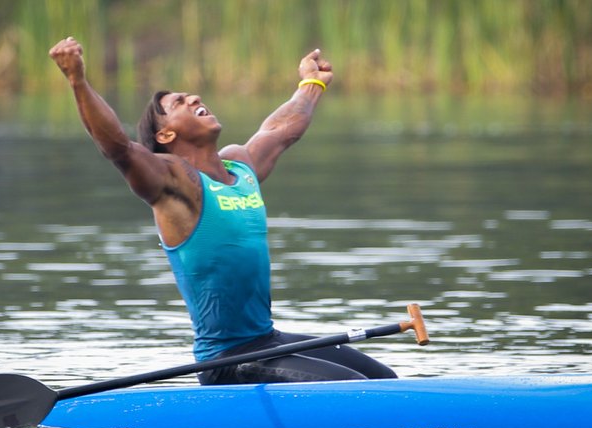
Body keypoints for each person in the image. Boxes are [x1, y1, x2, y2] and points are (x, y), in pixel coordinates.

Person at [49, 36, 397, 384]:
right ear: (166, 135)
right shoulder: (174, 182)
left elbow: (281, 130)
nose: (194, 98)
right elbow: (119, 149)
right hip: (226, 360)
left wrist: (312, 83)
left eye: (191, 96)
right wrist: (77, 80)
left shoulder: (240, 168)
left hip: (266, 340)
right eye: (179, 103)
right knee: (356, 387)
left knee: (383, 377)